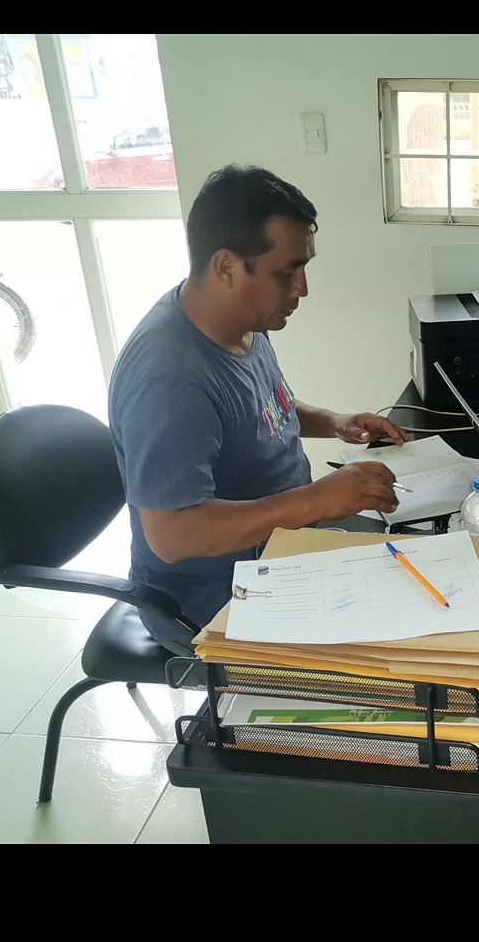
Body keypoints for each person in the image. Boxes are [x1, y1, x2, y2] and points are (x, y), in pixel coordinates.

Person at [108, 166, 406, 647]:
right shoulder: (171, 380)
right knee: (405, 655)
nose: (302, 288)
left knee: (420, 571)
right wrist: (316, 500)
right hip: (212, 602)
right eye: (286, 273)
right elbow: (172, 536)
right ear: (226, 267)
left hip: (283, 551)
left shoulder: (241, 322)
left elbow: (261, 410)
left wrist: (335, 422)